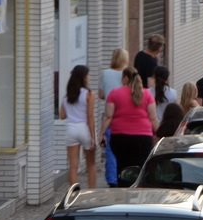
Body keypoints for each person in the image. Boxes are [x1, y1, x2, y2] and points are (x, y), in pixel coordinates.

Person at [101, 66, 158, 181]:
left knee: (122, 167)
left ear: (126, 78)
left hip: (120, 137)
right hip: (143, 139)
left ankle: (123, 190)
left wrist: (101, 134)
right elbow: (153, 118)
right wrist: (160, 134)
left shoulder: (114, 94)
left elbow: (108, 116)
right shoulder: (147, 94)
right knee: (141, 167)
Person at [59, 65, 97, 188]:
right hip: (84, 129)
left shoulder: (67, 96)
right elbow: (90, 117)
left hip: (71, 129)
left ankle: (74, 195)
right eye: (88, 75)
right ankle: (92, 192)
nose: (89, 77)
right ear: (83, 77)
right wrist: (93, 137)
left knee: (73, 166)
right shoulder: (89, 94)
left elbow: (62, 115)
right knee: (91, 164)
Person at [99, 48, 129, 187]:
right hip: (125, 116)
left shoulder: (105, 74)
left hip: (109, 116)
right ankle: (124, 175)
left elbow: (101, 94)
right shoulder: (127, 74)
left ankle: (112, 180)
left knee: (111, 150)